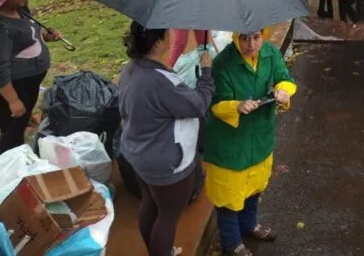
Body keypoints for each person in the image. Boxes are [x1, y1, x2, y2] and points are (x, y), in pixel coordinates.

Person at [118, 22, 215, 256]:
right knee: (168, 215)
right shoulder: (161, 82)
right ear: (158, 41)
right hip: (164, 161)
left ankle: (155, 250)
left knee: (150, 203)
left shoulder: (131, 69)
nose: (172, 35)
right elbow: (198, 105)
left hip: (137, 154)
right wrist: (206, 72)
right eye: (168, 32)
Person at [202, 30, 297, 256]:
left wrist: (283, 90)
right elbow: (215, 103)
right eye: (245, 38)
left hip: (259, 136)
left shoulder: (270, 53)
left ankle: (249, 225)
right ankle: (232, 243)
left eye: (256, 37)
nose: (251, 44)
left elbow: (285, 78)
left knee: (255, 185)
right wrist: (236, 106)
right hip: (230, 143)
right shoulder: (224, 62)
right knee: (229, 197)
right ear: (236, 37)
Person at [0, 0, 63, 154]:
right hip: (5, 87)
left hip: (25, 82)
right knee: (12, 132)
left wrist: (46, 36)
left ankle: (18, 158)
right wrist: (13, 100)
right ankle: (9, 169)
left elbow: (24, 38)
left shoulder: (20, 11)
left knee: (19, 126)